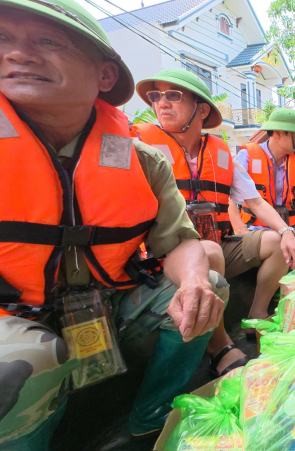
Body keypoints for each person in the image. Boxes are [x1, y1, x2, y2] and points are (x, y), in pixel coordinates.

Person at [0, 1, 230, 448]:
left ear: (105, 76)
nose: (18, 54)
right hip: (13, 316)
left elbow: (179, 242)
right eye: (3, 39)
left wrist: (196, 280)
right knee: (32, 356)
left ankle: (150, 415)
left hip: (109, 303)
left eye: (47, 40)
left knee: (211, 284)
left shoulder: (142, 161)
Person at [131, 68, 295, 375]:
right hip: (169, 255)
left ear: (202, 109)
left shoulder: (220, 151)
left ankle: (257, 315)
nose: (161, 104)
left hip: (221, 244)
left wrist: (287, 230)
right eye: (156, 97)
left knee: (276, 241)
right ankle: (219, 343)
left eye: (173, 96)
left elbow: (255, 201)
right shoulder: (140, 146)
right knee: (207, 251)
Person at [232, 108, 295, 323]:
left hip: (294, 231)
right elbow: (230, 200)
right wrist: (241, 233)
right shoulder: (247, 156)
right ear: (278, 133)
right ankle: (264, 312)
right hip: (257, 232)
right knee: (277, 249)